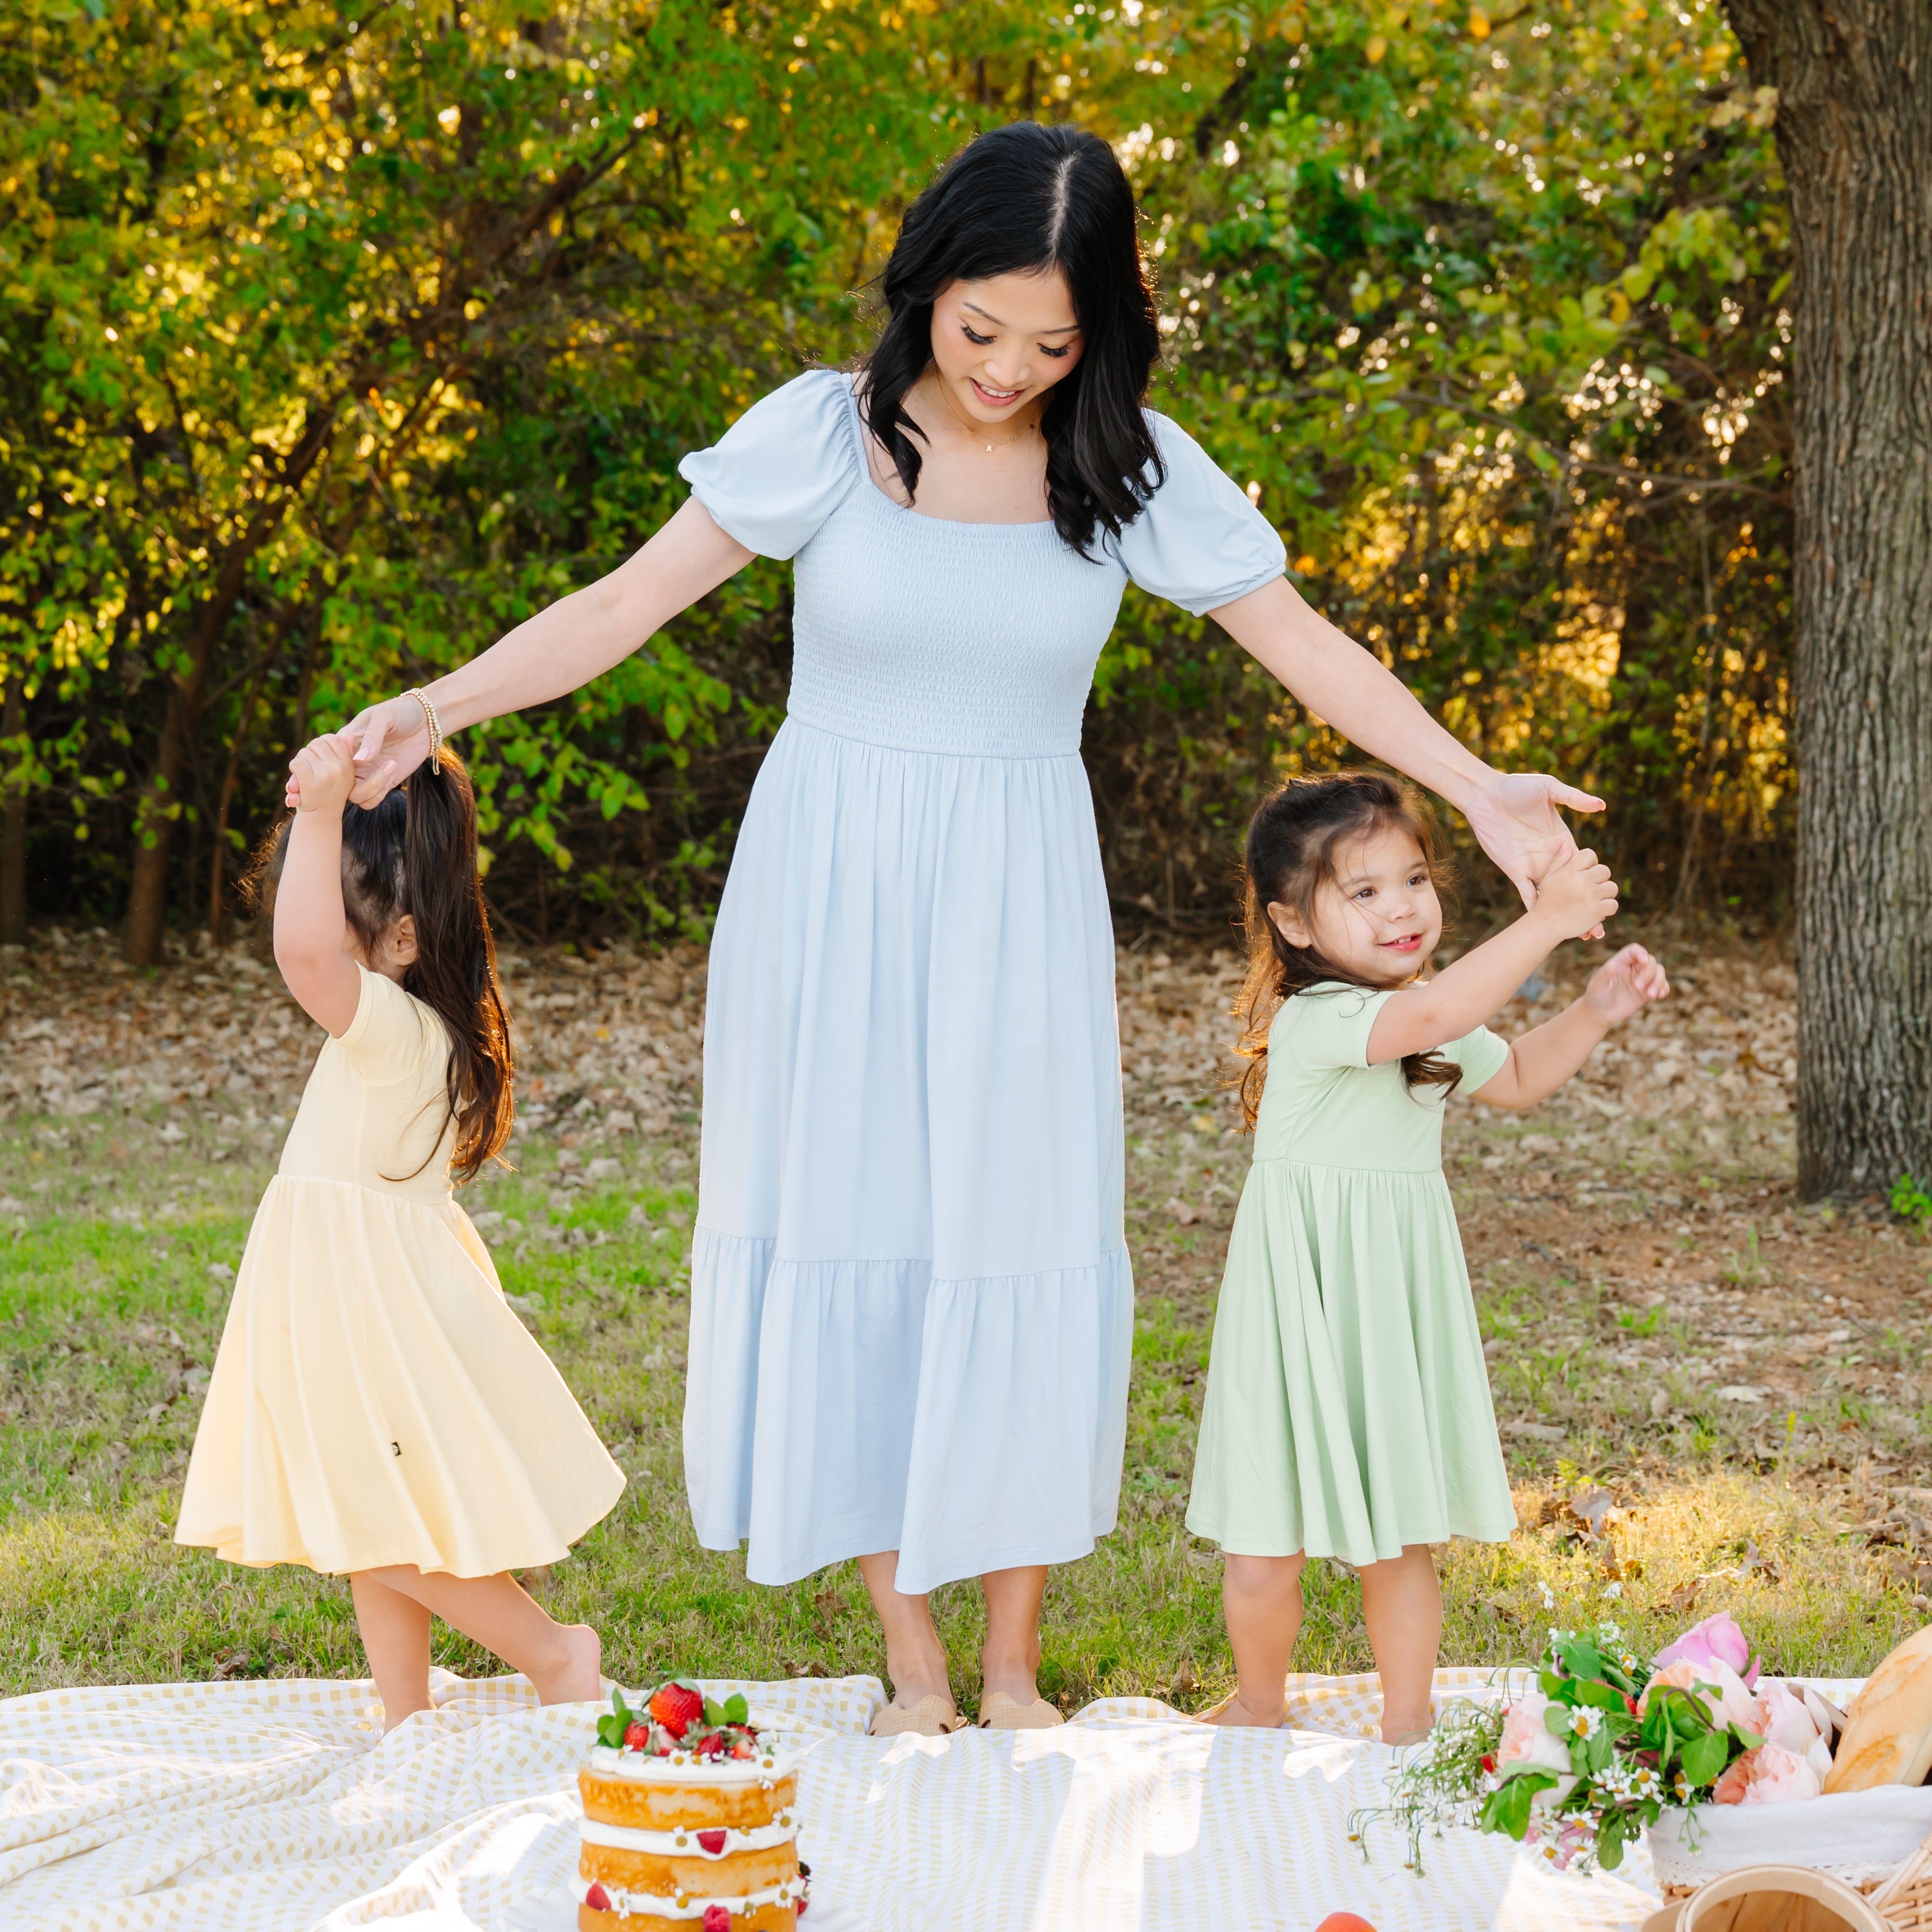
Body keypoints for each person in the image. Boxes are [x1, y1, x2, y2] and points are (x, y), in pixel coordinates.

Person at [335, 121, 1603, 1737]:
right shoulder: (823, 435)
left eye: (1052, 343)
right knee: (859, 1230)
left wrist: (1475, 781)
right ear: (925, 282)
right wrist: (435, 704)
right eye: (978, 326)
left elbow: (1307, 649)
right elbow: (620, 606)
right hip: (827, 895)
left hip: (1017, 900)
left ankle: (1010, 1662)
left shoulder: (1125, 466)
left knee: (1016, 1235)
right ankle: (912, 1655)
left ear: (1102, 333)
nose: (1006, 370)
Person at [1185, 771, 1669, 1743]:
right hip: (1297, 1302)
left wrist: (1594, 1009)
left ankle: (1406, 1720)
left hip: (1385, 1303)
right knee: (1262, 1542)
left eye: (1413, 879)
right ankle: (1260, 1703)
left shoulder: (1419, 1013)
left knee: (1398, 1533)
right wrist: (1547, 919)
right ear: (1292, 921)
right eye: (1363, 891)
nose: (1402, 906)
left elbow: (1517, 1074)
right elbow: (1432, 1017)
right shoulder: (1324, 1018)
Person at [178, 732, 623, 1731]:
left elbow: (301, 953)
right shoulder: (413, 1028)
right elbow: (311, 943)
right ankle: (407, 1714)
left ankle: (555, 1652)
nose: (316, 939)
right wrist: (327, 813)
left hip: (362, 1305)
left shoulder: (394, 1029)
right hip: (356, 1298)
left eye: (337, 917)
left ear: (405, 940)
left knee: (369, 1513)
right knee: (373, 1507)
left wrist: (322, 810)